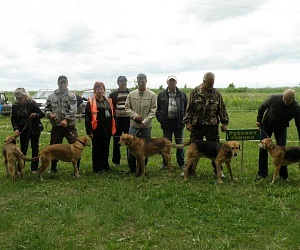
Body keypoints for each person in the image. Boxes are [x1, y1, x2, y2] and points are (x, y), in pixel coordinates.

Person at [183, 72, 229, 177]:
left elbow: (221, 109)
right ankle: (188, 170)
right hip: (197, 125)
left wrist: (224, 122)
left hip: (212, 126)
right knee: (194, 148)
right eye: (209, 82)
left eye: (213, 82)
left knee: (216, 148)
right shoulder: (195, 92)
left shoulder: (217, 93)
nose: (211, 84)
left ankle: (218, 171)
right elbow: (189, 108)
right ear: (204, 81)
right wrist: (188, 122)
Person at [256, 89, 300, 181]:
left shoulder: (296, 107)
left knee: (283, 150)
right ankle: (262, 173)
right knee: (263, 148)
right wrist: (259, 120)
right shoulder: (274, 98)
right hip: (267, 125)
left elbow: (299, 123)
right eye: (284, 99)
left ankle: (283, 176)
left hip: (281, 128)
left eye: (287, 101)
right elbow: (262, 107)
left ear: (292, 100)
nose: (284, 101)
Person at [44, 75, 79, 173]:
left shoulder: (72, 96)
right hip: (56, 127)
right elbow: (46, 109)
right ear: (58, 83)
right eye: (61, 83)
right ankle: (53, 168)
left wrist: (66, 120)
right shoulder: (51, 96)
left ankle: (76, 170)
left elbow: (73, 110)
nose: (63, 84)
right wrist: (49, 114)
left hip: (69, 127)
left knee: (76, 146)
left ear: (67, 83)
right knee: (54, 147)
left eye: (64, 82)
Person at [125, 73, 157, 174]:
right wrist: (134, 116)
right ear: (137, 82)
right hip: (133, 126)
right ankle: (132, 168)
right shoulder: (131, 94)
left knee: (145, 149)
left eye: (143, 81)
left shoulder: (152, 95)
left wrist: (145, 121)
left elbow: (153, 110)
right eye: (139, 81)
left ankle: (143, 169)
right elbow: (127, 107)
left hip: (146, 127)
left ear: (146, 81)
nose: (141, 83)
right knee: (130, 147)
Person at [156, 75, 188, 170]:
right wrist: (161, 119)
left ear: (176, 82)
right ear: (167, 82)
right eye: (170, 81)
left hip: (179, 123)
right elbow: (158, 109)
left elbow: (186, 109)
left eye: (173, 81)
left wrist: (184, 119)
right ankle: (165, 163)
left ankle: (181, 163)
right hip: (166, 124)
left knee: (179, 144)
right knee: (166, 145)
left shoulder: (182, 94)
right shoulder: (161, 95)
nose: (172, 82)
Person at [11, 87, 45, 173]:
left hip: (34, 129)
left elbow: (41, 114)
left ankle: (34, 168)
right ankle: (20, 168)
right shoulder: (15, 105)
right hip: (23, 130)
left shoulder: (32, 103)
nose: (19, 100)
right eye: (17, 98)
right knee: (23, 149)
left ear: (25, 96)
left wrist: (35, 115)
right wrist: (16, 128)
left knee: (34, 148)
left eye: (20, 98)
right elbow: (13, 118)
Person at [85, 82, 116, 173]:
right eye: (98, 89)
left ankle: (105, 166)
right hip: (96, 129)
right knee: (97, 149)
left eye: (101, 89)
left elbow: (112, 114)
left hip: (107, 129)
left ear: (104, 90)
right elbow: (87, 118)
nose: (100, 91)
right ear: (95, 91)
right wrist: (89, 131)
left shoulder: (108, 101)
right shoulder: (90, 102)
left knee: (105, 148)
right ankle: (97, 168)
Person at [109, 76, 131, 167]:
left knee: (129, 141)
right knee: (116, 141)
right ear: (118, 82)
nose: (124, 83)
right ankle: (116, 161)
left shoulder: (131, 93)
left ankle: (131, 160)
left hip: (129, 120)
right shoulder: (113, 94)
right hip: (117, 120)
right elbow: (110, 107)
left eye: (125, 81)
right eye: (122, 81)